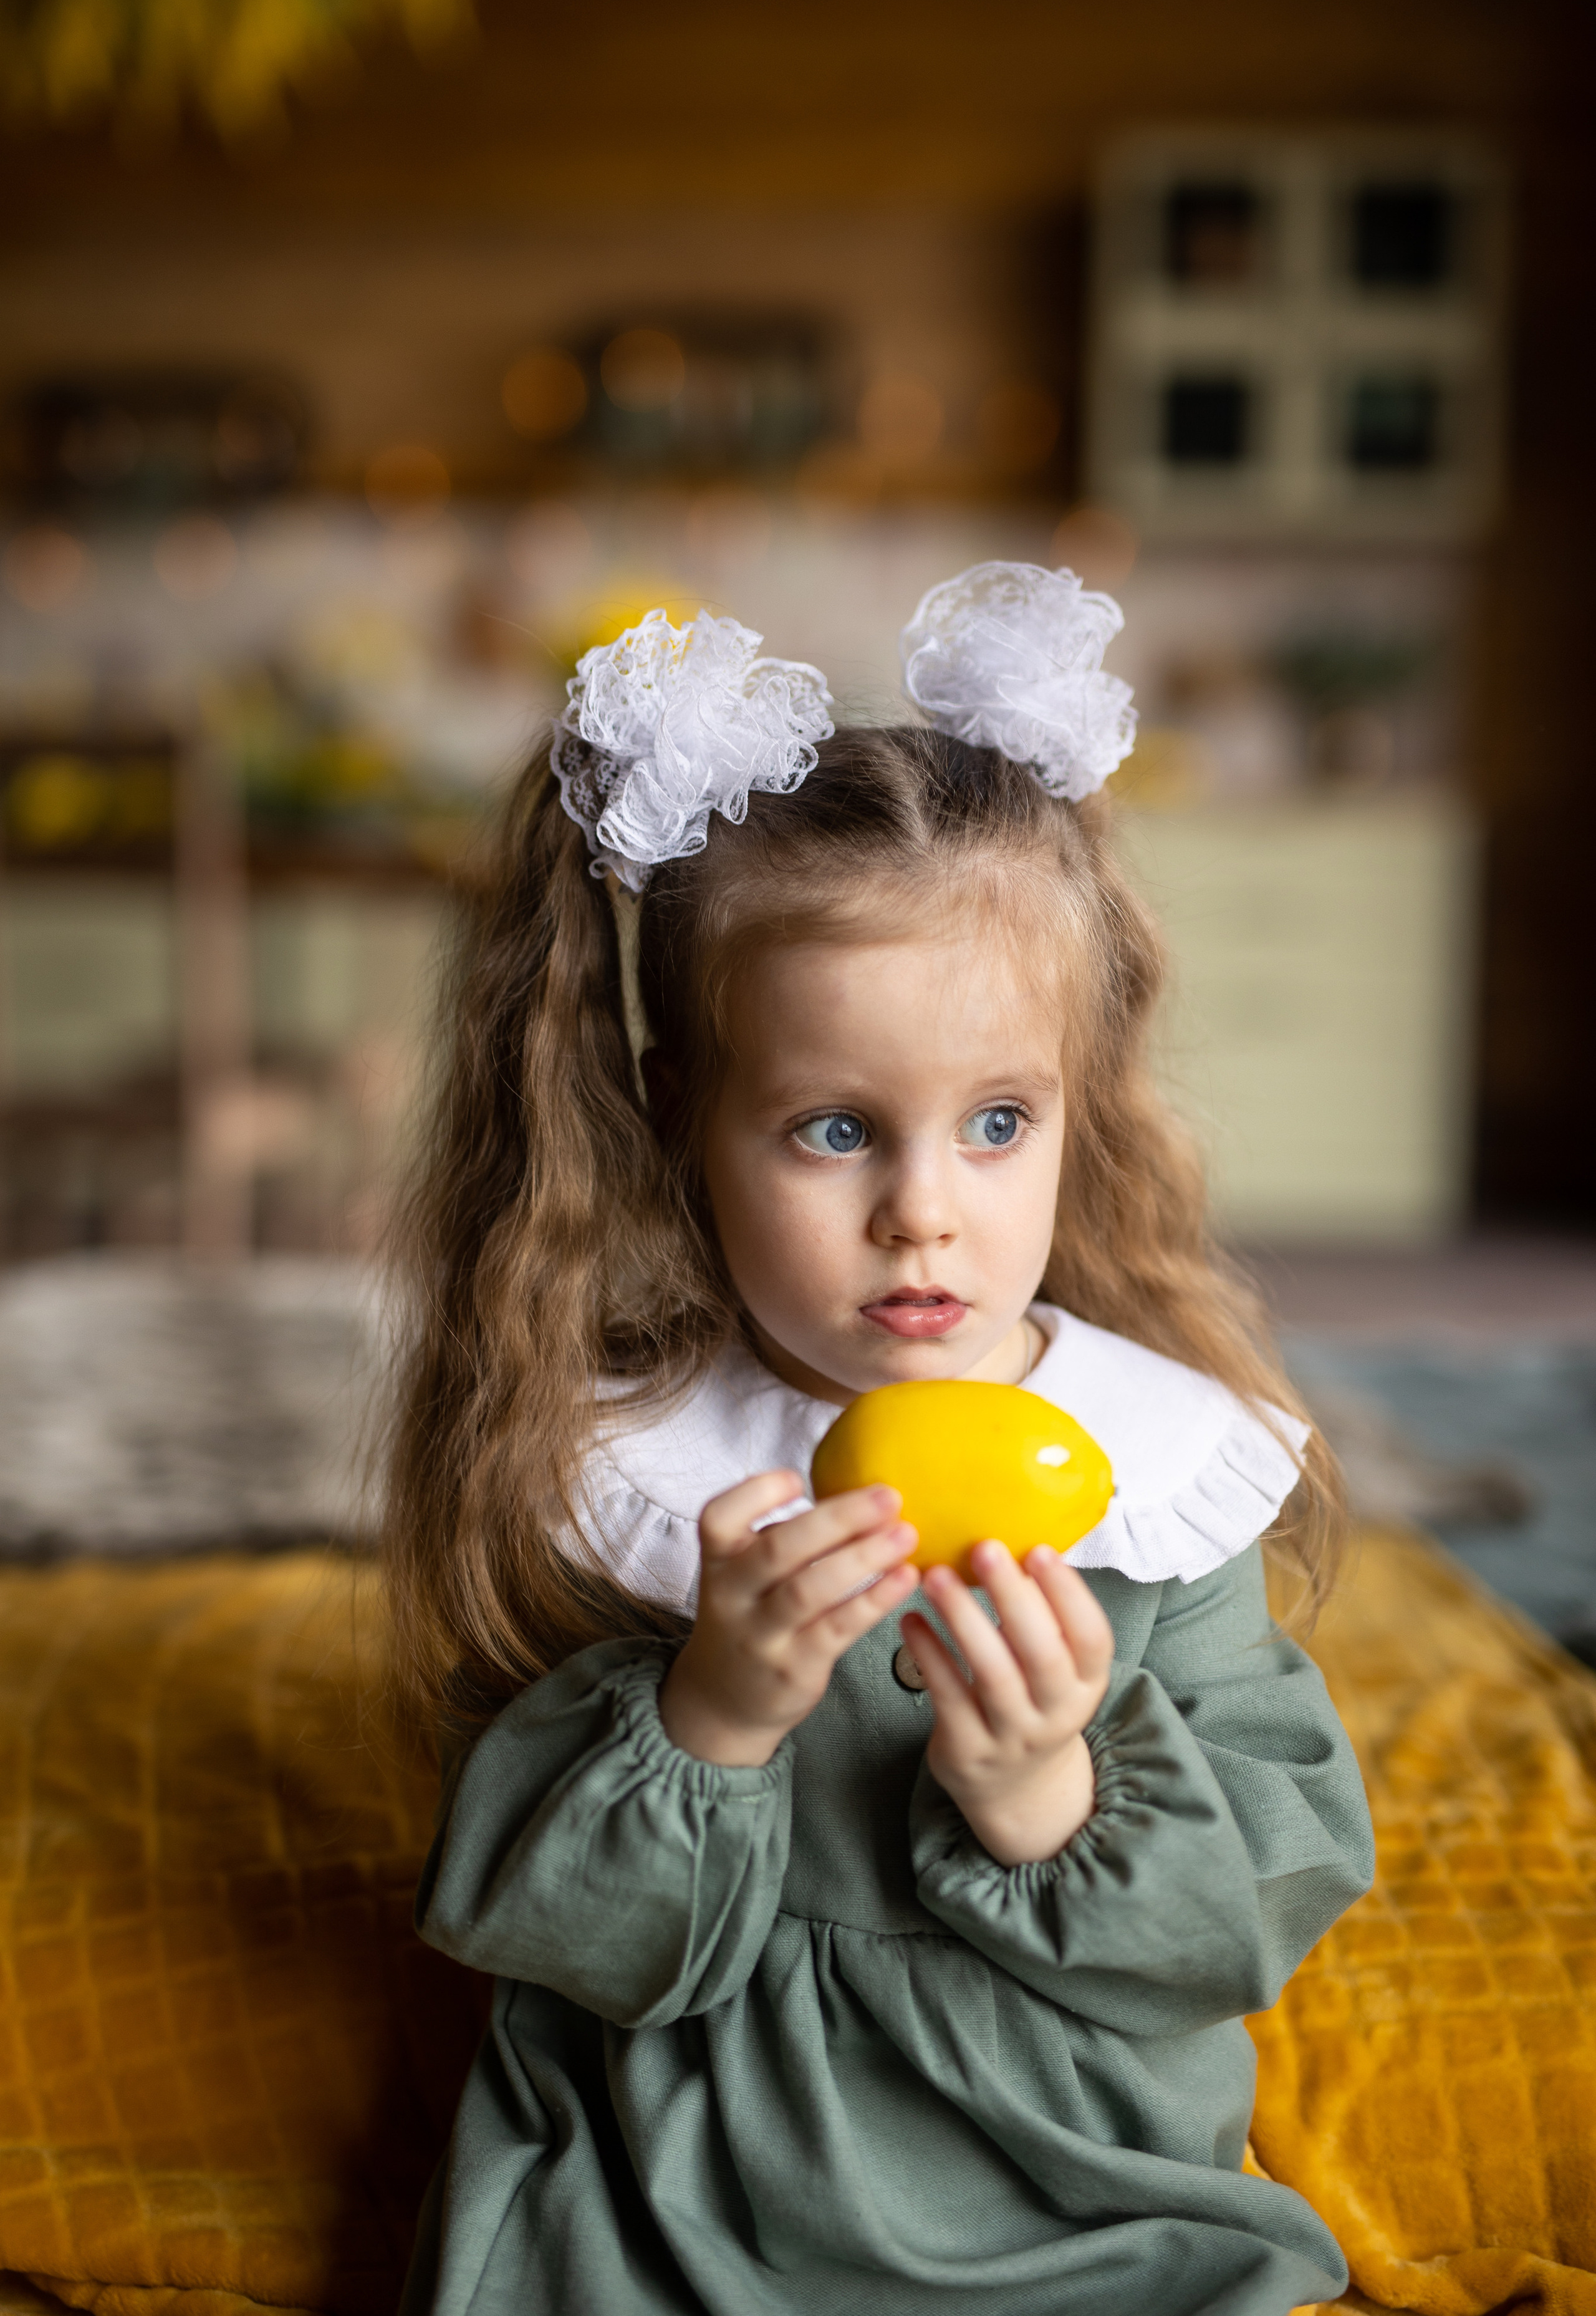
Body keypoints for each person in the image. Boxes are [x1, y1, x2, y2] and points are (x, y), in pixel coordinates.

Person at [386, 562, 1375, 2316]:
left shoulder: (1160, 1476)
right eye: (835, 1129)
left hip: (1091, 2211)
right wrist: (715, 1715)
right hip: (678, 2213)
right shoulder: (627, 1476)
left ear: (1082, 1106)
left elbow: (1259, 1912)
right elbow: (528, 1926)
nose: (926, 1215)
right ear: (681, 1121)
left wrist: (1048, 1794)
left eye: (998, 1123)